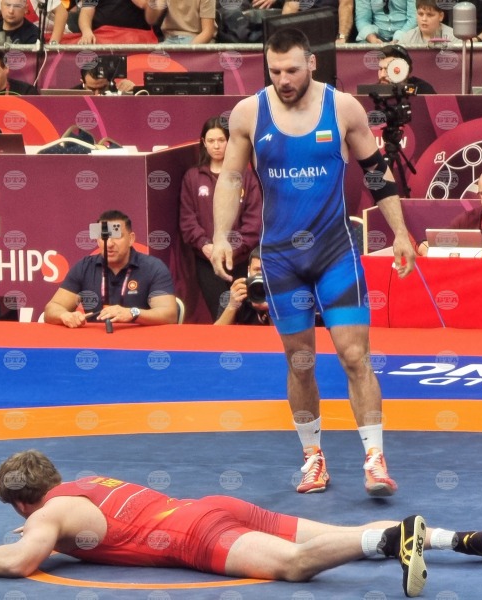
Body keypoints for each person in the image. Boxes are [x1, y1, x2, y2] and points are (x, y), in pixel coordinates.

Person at [211, 29, 416, 498]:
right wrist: (221, 234)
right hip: (281, 258)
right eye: (275, 71)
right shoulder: (248, 113)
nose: (283, 80)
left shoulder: (343, 108)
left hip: (334, 252)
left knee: (355, 356)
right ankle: (312, 458)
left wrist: (401, 233)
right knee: (300, 361)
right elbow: (231, 177)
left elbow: (377, 173)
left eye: (291, 70)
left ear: (311, 63)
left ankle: (375, 458)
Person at [0, 449, 482, 599]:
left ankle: (392, 538)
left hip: (195, 537)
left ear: (22, 506)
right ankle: (457, 539)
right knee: (322, 537)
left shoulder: (49, 517)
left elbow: (19, 563)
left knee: (294, 568)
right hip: (215, 507)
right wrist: (41, 526)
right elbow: (63, 524)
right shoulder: (82, 485)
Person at [180, 116, 262, 322]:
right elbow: (188, 221)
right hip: (207, 262)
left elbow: (254, 223)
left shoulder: (247, 177)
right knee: (221, 314)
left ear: (230, 142)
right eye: (211, 141)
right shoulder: (193, 177)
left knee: (246, 315)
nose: (216, 146)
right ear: (203, 142)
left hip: (241, 261)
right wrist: (206, 246)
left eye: (221, 140)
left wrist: (231, 250)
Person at [44, 210, 178, 327]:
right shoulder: (84, 267)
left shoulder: (153, 267)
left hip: (140, 343)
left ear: (131, 239)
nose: (109, 244)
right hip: (95, 343)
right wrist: (65, 315)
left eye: (117, 236)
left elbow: (169, 314)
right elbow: (52, 309)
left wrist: (132, 313)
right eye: (104, 236)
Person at [214, 246, 272, 325]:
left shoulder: (283, 295)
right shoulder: (237, 293)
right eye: (257, 270)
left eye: (267, 271)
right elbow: (215, 332)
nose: (261, 275)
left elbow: (285, 332)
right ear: (249, 270)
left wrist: (272, 309)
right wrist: (232, 306)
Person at [72, 0, 158, 45]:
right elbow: (86, 13)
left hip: (137, 38)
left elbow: (146, 6)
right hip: (102, 37)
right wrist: (87, 32)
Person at [144, 0, 216, 44]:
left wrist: (187, 50)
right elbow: (151, 20)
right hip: (170, 39)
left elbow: (208, 32)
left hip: (195, 38)